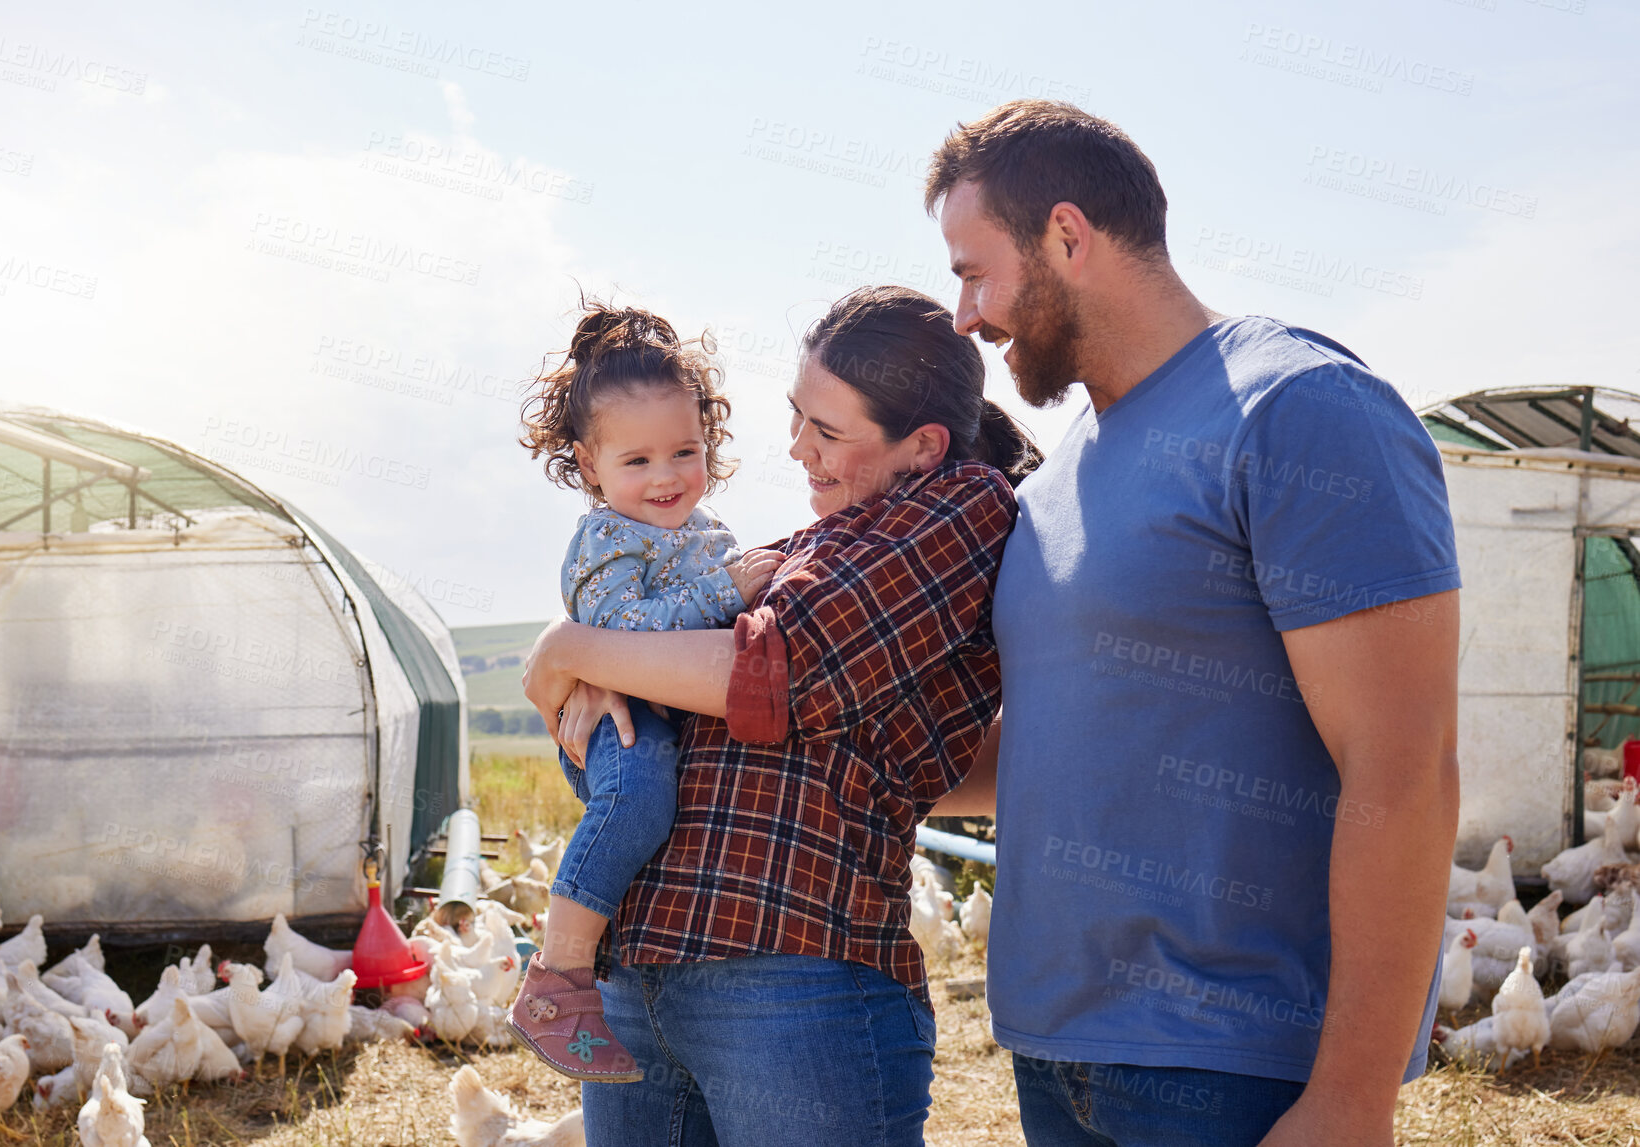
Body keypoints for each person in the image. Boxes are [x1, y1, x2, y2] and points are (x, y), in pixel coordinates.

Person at [926, 100, 1461, 1147]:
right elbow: (1049, 744)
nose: (962, 313)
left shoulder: (1296, 407)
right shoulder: (1056, 478)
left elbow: (1403, 765)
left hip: (1236, 1071)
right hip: (1054, 1056)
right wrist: (805, 750)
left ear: (1066, 238)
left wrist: (1350, 1101)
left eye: (972, 270)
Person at [522, 285, 1041, 1146]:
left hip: (789, 969)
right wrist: (579, 672)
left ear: (923, 446)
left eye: (826, 432)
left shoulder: (961, 509)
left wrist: (572, 648)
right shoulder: (808, 542)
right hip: (644, 967)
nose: (796, 448)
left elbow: (774, 679)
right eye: (798, 418)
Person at [508, 300, 786, 1082]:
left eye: (685, 451)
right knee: (636, 801)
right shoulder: (606, 537)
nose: (666, 477)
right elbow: (620, 628)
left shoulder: (708, 533)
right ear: (589, 464)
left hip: (654, 717)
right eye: (637, 462)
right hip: (617, 725)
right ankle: (556, 977)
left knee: (658, 799)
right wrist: (723, 591)